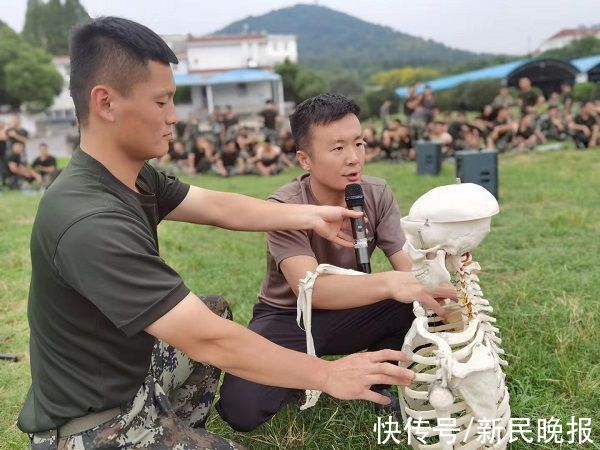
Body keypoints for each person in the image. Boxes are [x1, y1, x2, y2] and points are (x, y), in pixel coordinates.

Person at [19, 18, 421, 450]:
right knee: (210, 329)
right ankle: (152, 435)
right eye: (162, 102)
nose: (174, 116)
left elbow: (216, 206)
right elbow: (206, 339)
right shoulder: (90, 221)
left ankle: (173, 427)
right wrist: (329, 374)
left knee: (215, 309)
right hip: (92, 424)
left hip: (128, 377)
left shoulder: (131, 178)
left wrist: (306, 216)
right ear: (106, 103)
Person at [217, 93, 456, 432]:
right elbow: (313, 291)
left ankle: (380, 381)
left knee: (415, 301)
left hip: (358, 307)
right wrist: (390, 283)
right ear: (305, 159)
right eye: (337, 148)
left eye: (358, 143)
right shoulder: (285, 207)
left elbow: (409, 267)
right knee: (241, 409)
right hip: (291, 318)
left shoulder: (376, 193)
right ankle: (298, 372)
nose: (354, 158)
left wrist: (444, 268)